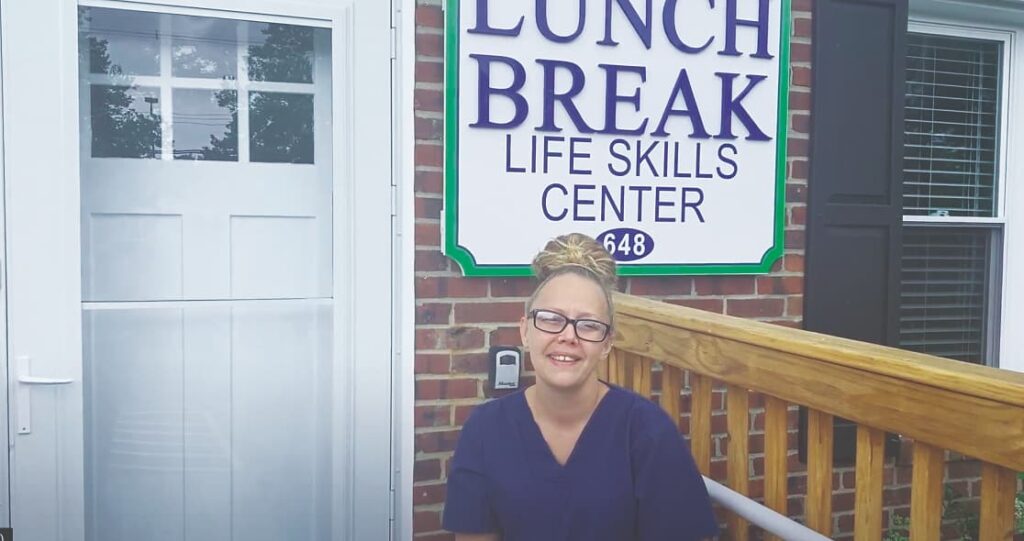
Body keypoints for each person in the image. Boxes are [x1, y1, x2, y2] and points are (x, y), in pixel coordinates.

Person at [442, 233, 719, 541]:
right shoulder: (485, 430)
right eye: (550, 319)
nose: (568, 336)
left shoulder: (647, 432)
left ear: (607, 344)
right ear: (525, 331)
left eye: (588, 325)